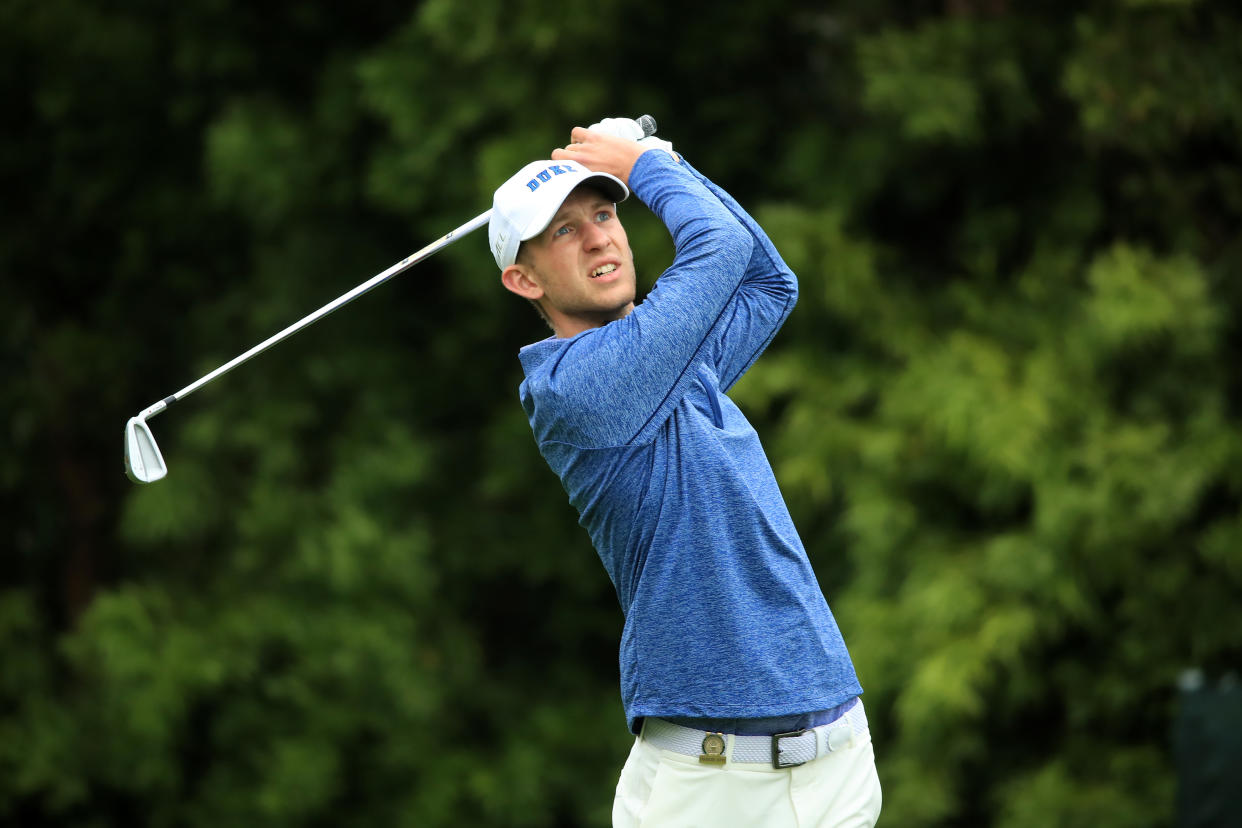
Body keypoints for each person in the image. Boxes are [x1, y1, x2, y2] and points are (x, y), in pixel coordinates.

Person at [489, 118, 882, 827]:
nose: (600, 237)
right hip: (708, 788)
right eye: (563, 233)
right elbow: (721, 248)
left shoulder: (678, 366)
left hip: (836, 764)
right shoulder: (577, 389)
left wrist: (667, 161)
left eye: (605, 214)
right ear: (524, 280)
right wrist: (644, 166)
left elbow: (768, 283)